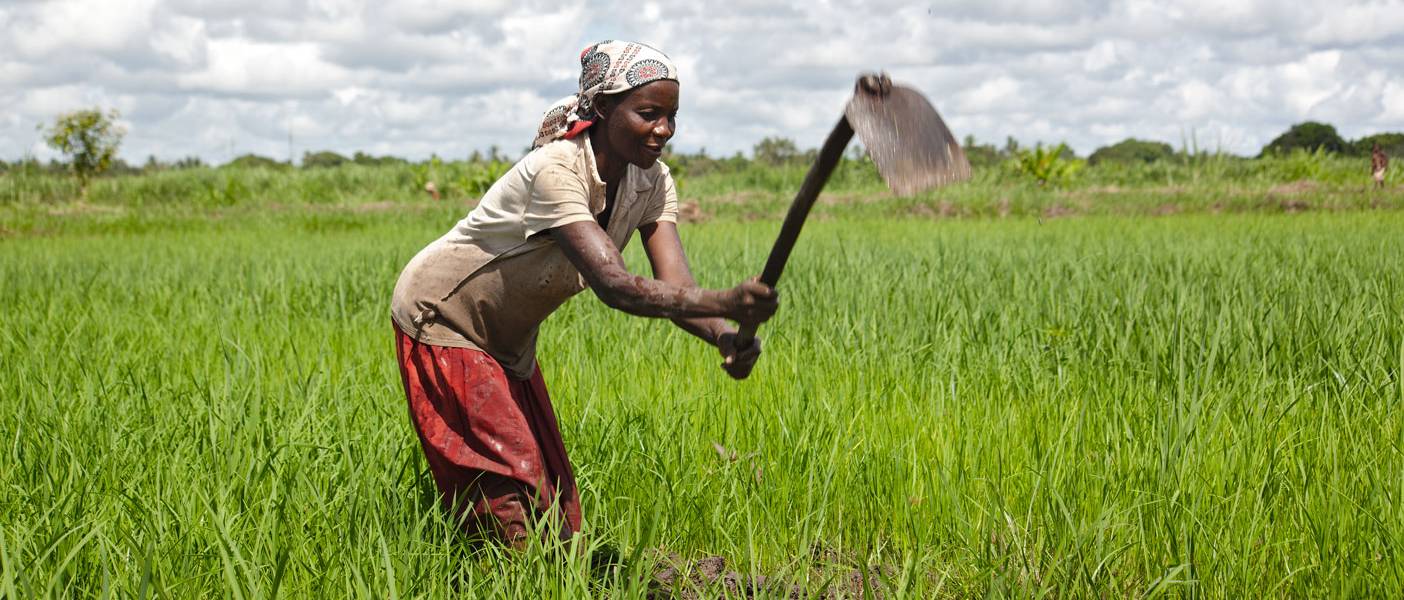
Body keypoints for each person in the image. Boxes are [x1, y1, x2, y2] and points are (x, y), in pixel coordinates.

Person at [390, 40, 778, 545]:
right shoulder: (557, 169)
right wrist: (728, 301)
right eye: (648, 113)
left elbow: (676, 287)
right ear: (601, 108)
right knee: (506, 487)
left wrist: (724, 336)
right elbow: (615, 286)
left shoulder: (652, 181)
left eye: (671, 116)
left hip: (506, 342)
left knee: (555, 506)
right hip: (442, 318)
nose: (664, 130)